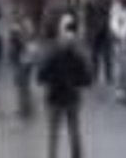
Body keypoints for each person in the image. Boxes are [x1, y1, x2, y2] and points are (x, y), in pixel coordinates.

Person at [38, 16, 93, 158]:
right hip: (72, 98)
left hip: (54, 98)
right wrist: (76, 83)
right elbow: (87, 79)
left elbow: (41, 75)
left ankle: (52, 156)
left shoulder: (51, 53)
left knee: (53, 133)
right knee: (74, 130)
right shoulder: (78, 55)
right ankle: (77, 155)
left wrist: (50, 82)